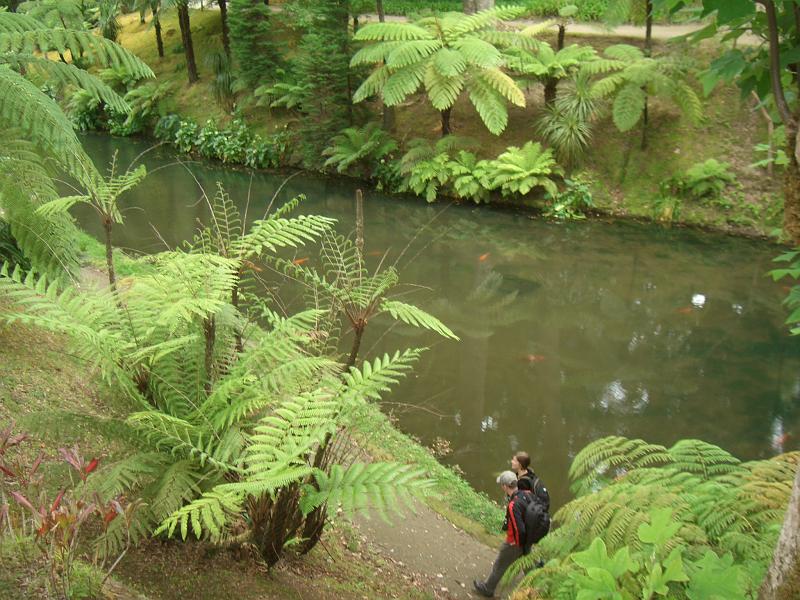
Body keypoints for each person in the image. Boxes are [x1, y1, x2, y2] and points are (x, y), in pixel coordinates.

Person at [473, 471, 527, 598]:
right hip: (529, 539)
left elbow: (518, 528)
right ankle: (542, 585)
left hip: (515, 542)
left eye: (501, 485)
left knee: (500, 564)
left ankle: (487, 588)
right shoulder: (525, 494)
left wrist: (514, 543)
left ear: (504, 486)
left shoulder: (513, 505)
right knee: (528, 564)